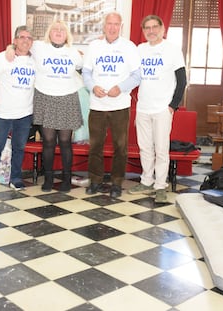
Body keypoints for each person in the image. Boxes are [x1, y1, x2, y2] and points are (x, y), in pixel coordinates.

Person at [7, 20, 83, 193]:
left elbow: (88, 65)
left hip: (67, 99)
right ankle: (48, 178)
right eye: (55, 29)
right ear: (49, 33)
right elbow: (21, 45)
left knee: (65, 142)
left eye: (62, 30)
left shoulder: (73, 53)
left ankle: (66, 179)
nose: (58, 31)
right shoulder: (39, 47)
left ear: (67, 34)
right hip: (45, 98)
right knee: (48, 141)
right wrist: (10, 48)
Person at [128, 15, 187, 203]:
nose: (151, 31)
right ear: (143, 31)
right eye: (147, 28)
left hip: (162, 108)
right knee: (145, 148)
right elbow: (130, 73)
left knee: (161, 149)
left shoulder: (172, 49)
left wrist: (172, 106)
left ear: (162, 29)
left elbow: (182, 80)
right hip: (143, 107)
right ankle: (146, 181)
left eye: (155, 27)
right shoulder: (140, 49)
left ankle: (160, 185)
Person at [82, 11, 141, 198]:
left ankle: (116, 182)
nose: (112, 27)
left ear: (121, 26)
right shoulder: (94, 46)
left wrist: (121, 88)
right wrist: (93, 87)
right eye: (109, 23)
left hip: (120, 106)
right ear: (104, 25)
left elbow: (137, 76)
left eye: (116, 24)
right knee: (95, 146)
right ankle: (95, 181)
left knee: (120, 147)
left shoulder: (129, 47)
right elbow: (86, 74)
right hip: (97, 105)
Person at [0, 25, 36, 193]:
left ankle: (15, 178)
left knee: (19, 147)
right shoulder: (2, 57)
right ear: (15, 40)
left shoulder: (35, 60)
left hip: (25, 113)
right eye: (22, 37)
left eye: (29, 38)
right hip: (2, 113)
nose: (26, 41)